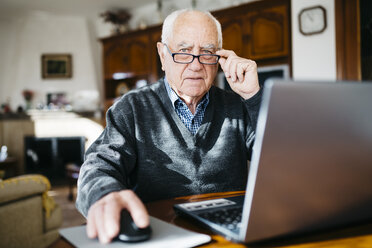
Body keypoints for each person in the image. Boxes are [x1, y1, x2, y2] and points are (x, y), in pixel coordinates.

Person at [76, 9, 262, 244]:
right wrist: (105, 195)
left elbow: (280, 163)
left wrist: (254, 98)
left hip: (231, 234)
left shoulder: (238, 104)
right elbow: (98, 166)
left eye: (207, 52)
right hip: (160, 234)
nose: (196, 65)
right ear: (163, 55)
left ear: (219, 58)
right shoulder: (131, 108)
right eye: (184, 51)